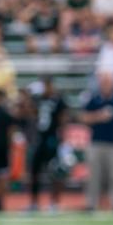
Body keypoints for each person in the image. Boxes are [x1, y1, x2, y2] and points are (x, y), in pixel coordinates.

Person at [80, 70, 113, 211]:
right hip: (96, 142)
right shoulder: (94, 99)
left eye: (108, 82)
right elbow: (84, 118)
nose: (106, 85)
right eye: (104, 82)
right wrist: (98, 116)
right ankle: (91, 203)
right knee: (93, 175)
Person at [28, 78, 68, 212]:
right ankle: (34, 202)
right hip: (40, 139)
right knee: (34, 172)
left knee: (54, 172)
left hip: (52, 139)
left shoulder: (58, 100)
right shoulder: (38, 99)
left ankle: (54, 202)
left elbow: (63, 118)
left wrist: (62, 138)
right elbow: (32, 113)